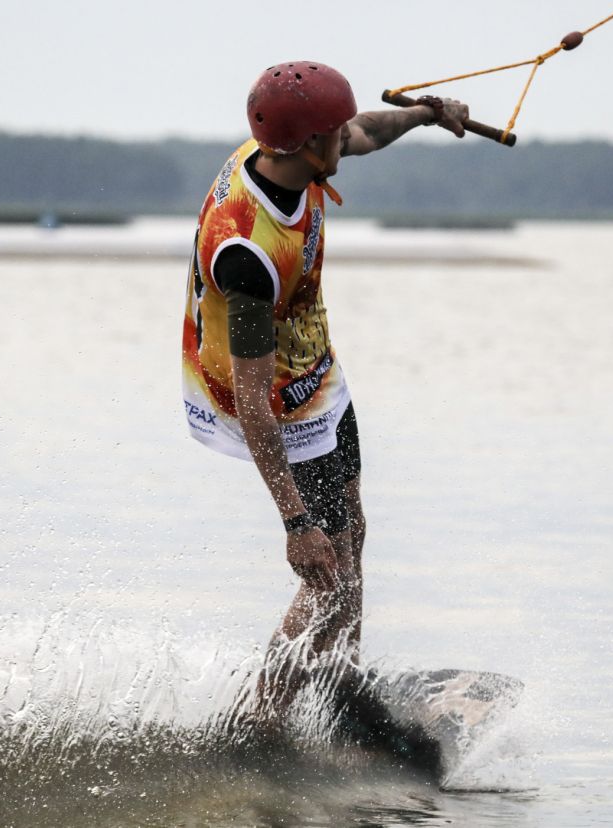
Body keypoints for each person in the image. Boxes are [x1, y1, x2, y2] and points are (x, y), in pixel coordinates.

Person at [181, 61, 469, 708]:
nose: (350, 138)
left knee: (354, 533)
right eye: (335, 133)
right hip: (270, 396)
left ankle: (342, 684)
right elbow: (253, 402)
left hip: (313, 369)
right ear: (310, 144)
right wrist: (294, 522)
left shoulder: (288, 150)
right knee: (325, 572)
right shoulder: (246, 253)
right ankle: (262, 719)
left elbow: (365, 129)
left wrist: (427, 114)